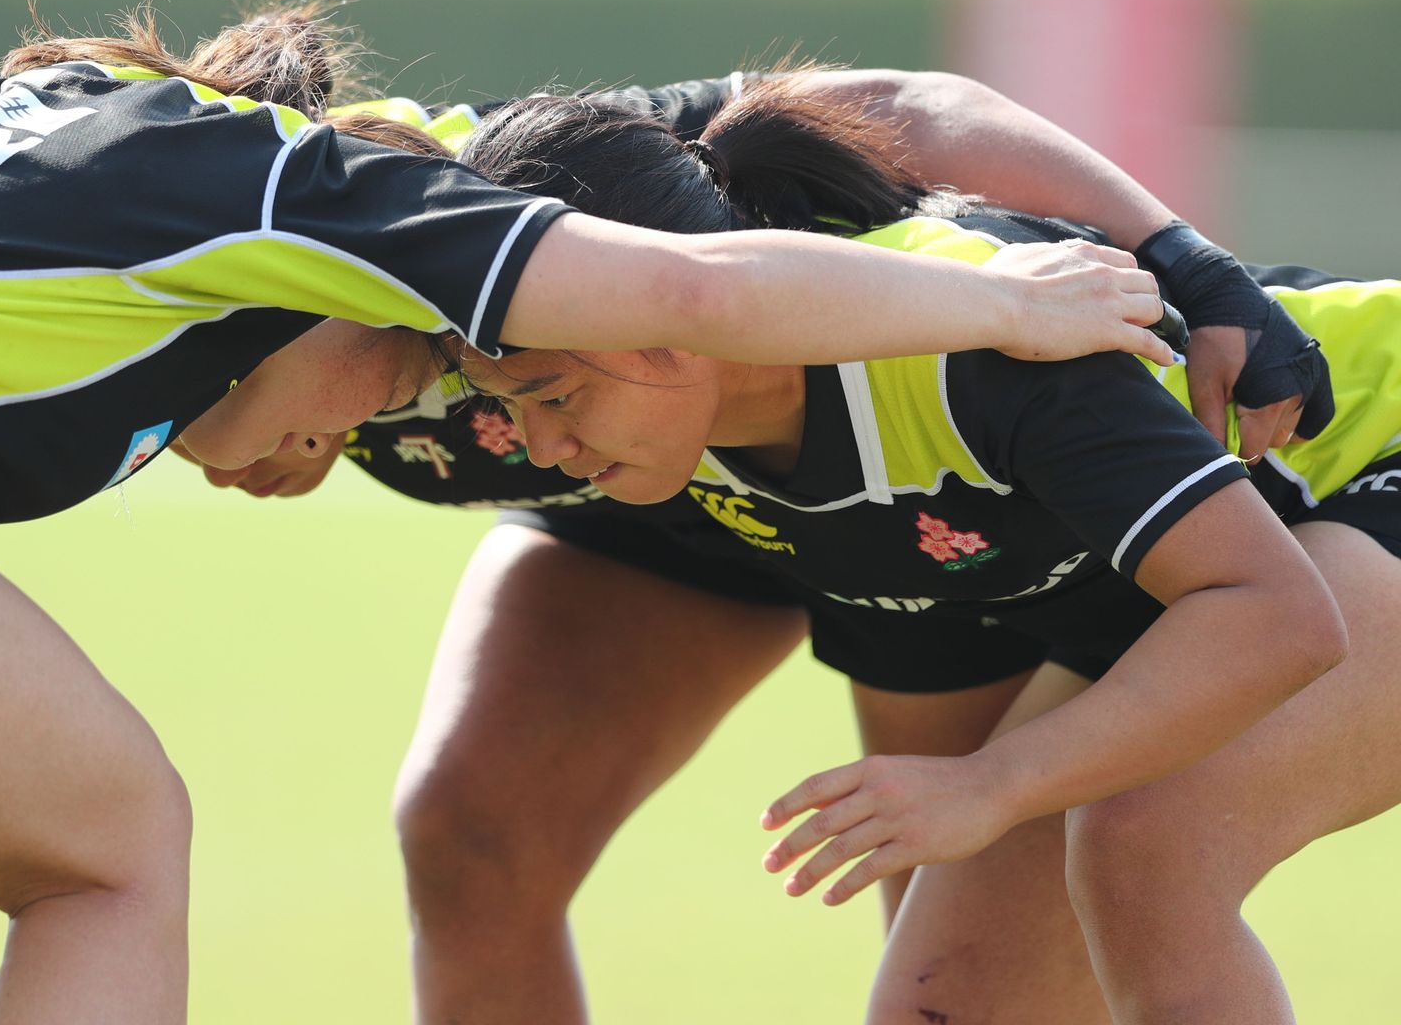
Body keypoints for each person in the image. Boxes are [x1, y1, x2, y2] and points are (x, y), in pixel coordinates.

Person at [0, 3, 1175, 1021]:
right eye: (418, 362)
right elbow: (690, 291)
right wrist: (1003, 305)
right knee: (106, 856)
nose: (371, 417)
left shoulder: (20, 118)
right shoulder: (309, 196)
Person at [448, 82, 1399, 1025]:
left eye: (555, 397)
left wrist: (992, 782)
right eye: (508, 403)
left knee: (1148, 841)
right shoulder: (678, 423)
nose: (538, 449)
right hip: (1192, 585)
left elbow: (1275, 617)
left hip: (1354, 477)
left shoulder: (980, 339)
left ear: (676, 314)